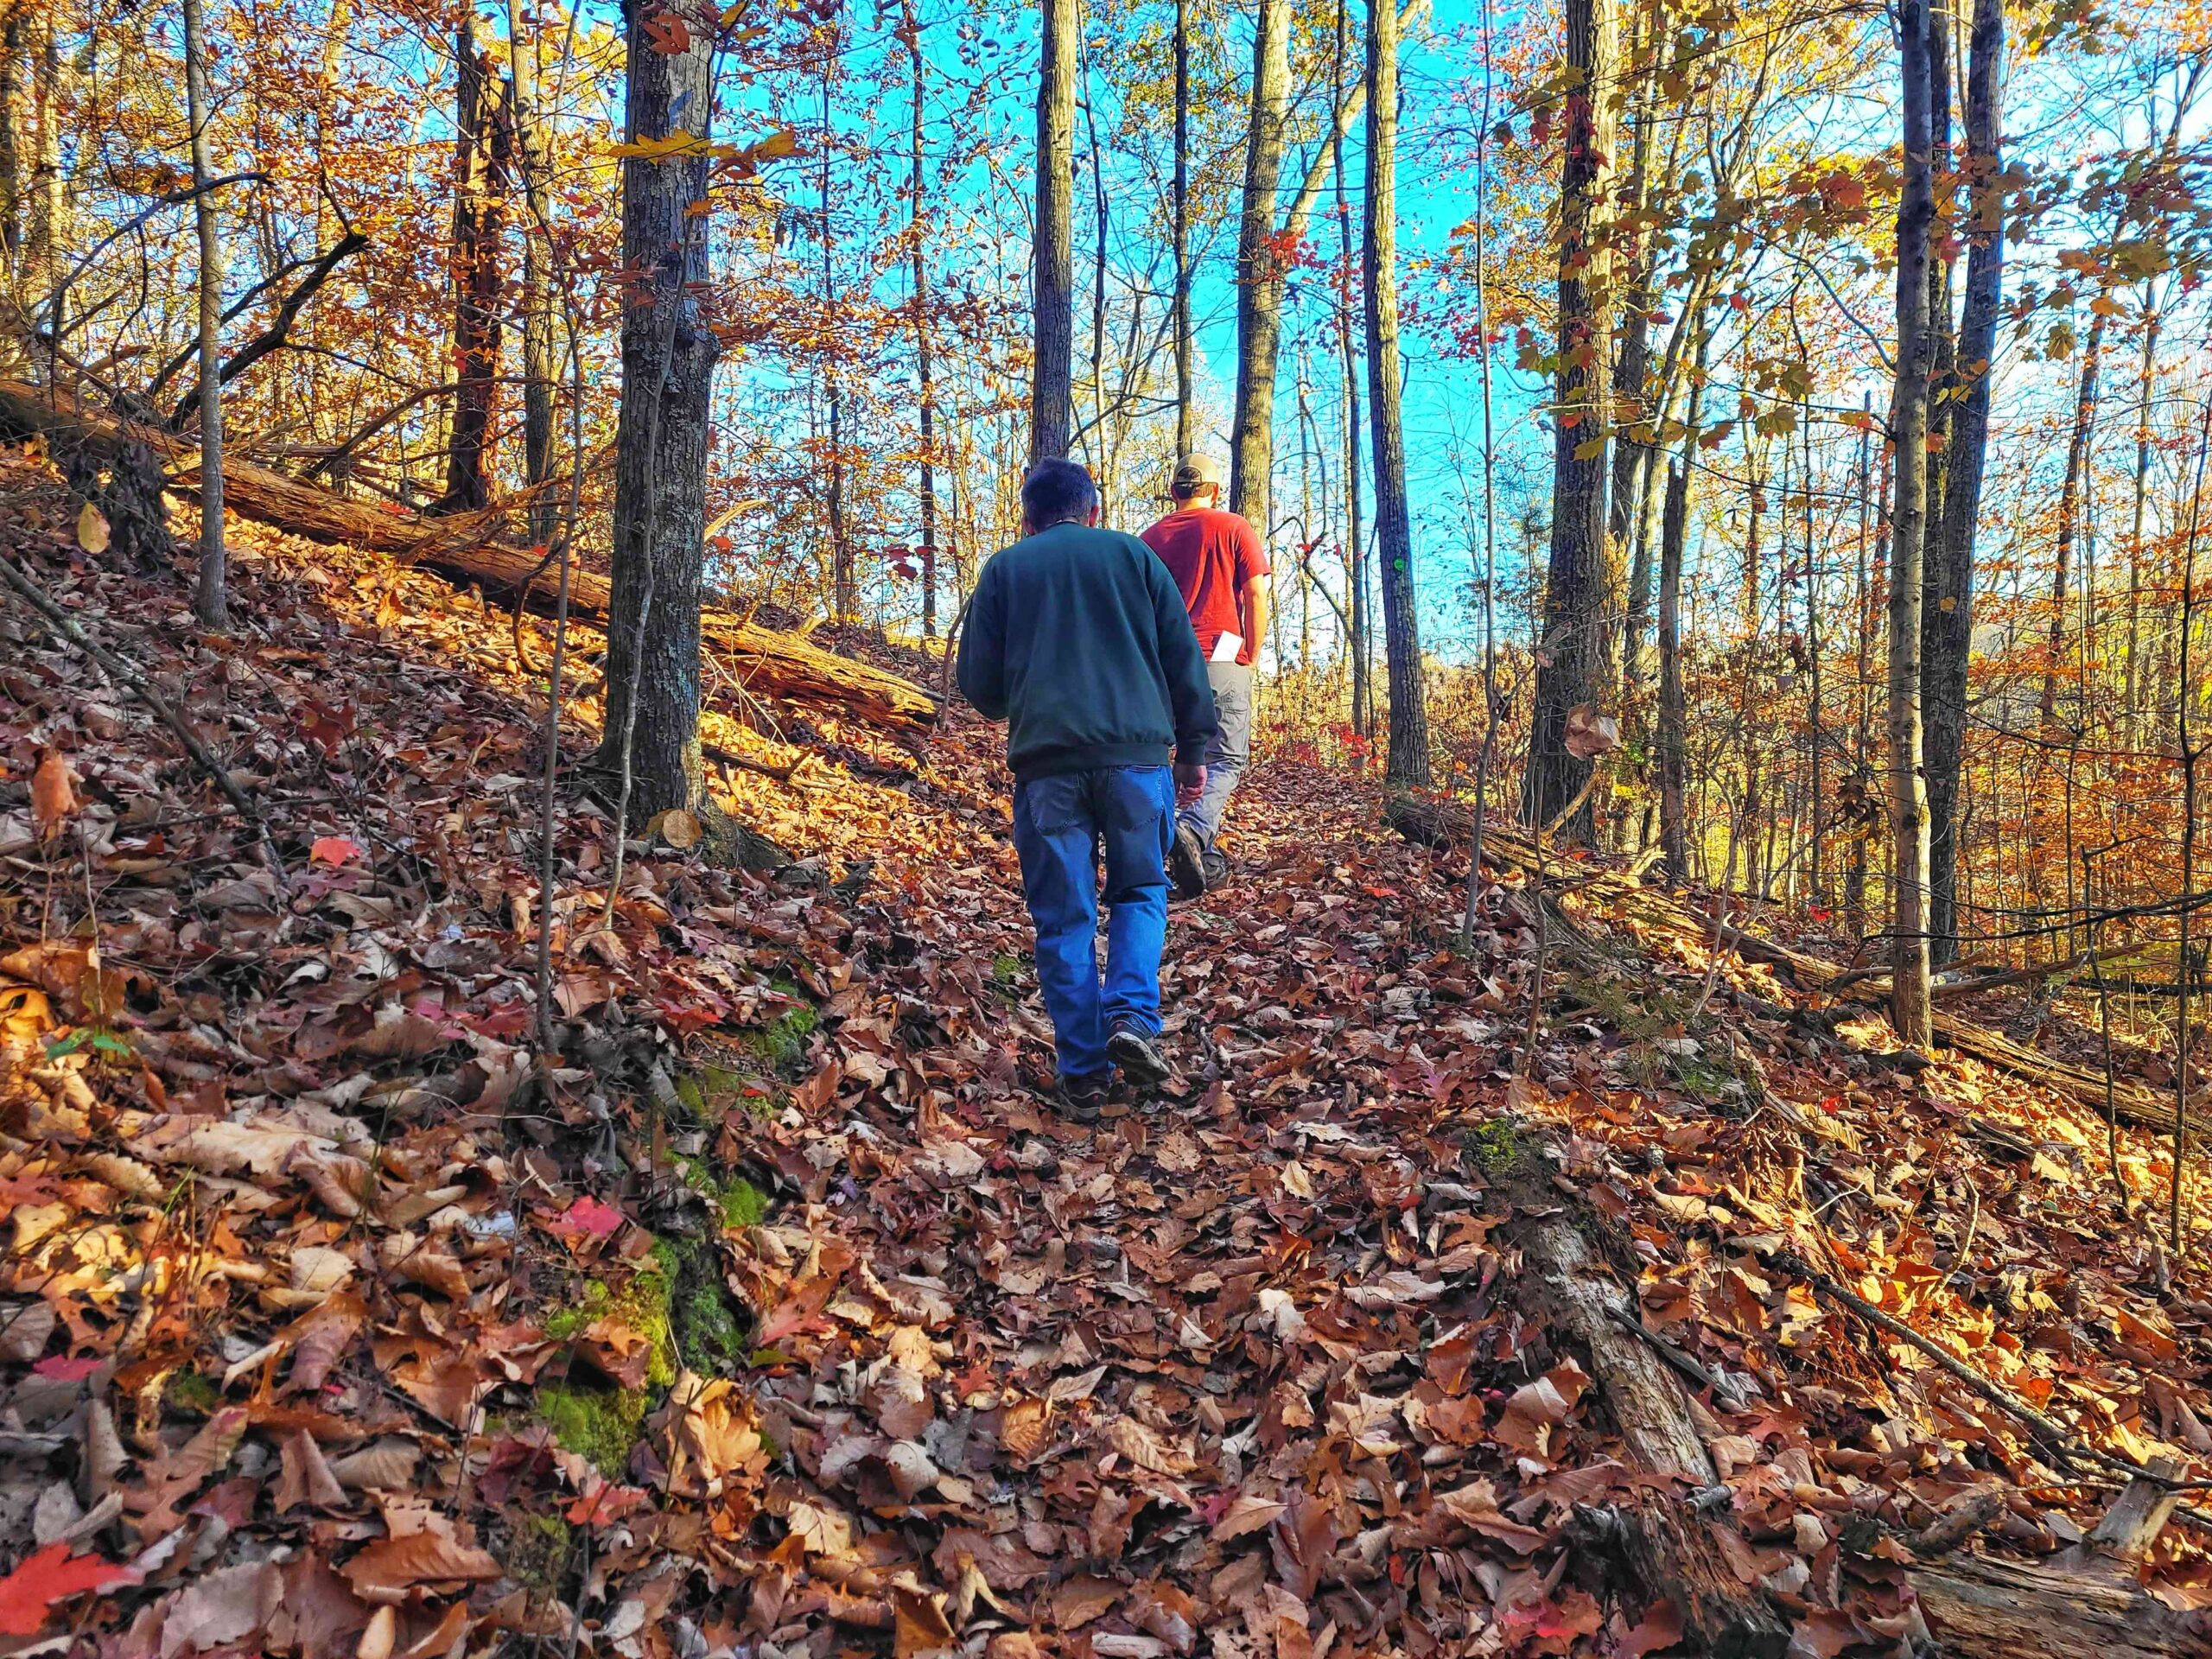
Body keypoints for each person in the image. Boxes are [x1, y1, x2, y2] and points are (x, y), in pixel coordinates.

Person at [956, 459, 1217, 1119]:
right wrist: (1193, 751)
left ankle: (1083, 1073)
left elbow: (981, 691)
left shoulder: (1005, 570)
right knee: (1139, 891)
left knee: (1063, 917)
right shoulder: (1134, 557)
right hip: (1136, 761)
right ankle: (1130, 1015)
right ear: (1093, 511)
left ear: (1028, 518)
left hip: (1047, 769)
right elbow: (1183, 657)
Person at [1140, 453, 1269, 898]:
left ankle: (1192, 857)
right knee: (1226, 757)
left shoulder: (1149, 538)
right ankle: (1192, 830)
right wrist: (1252, 646)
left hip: (1162, 665)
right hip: (1220, 655)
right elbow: (1255, 592)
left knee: (1166, 756)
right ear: (1214, 490)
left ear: (1175, 491)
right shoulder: (1233, 527)